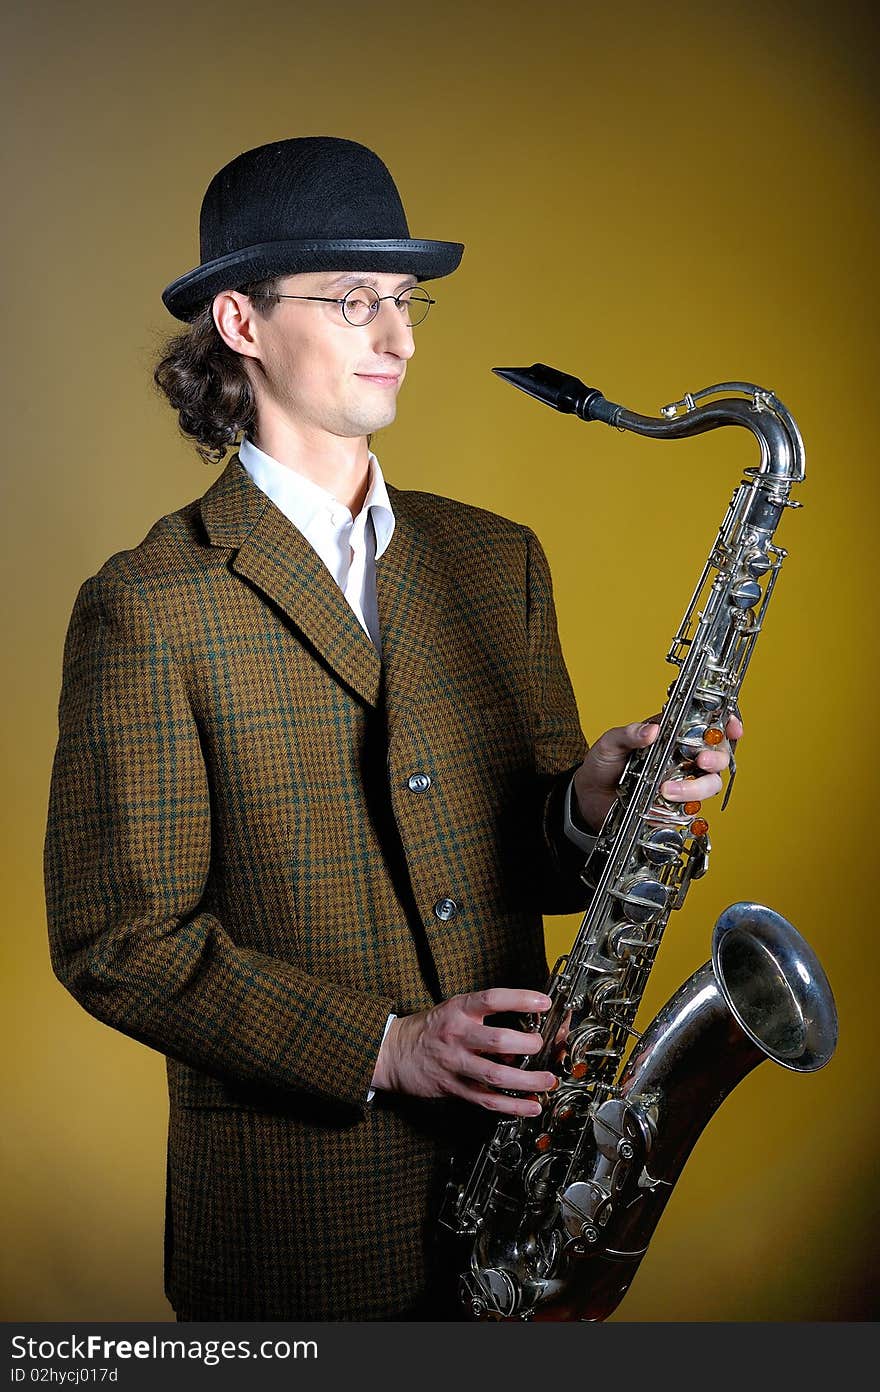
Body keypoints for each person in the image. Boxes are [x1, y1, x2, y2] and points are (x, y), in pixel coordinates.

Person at [43, 137, 740, 1322]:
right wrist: (383, 1046)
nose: (400, 337)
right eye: (353, 300)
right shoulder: (150, 602)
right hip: (294, 1226)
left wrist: (584, 806)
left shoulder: (493, 557)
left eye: (407, 303)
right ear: (242, 324)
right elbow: (120, 941)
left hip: (521, 1171)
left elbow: (522, 861)